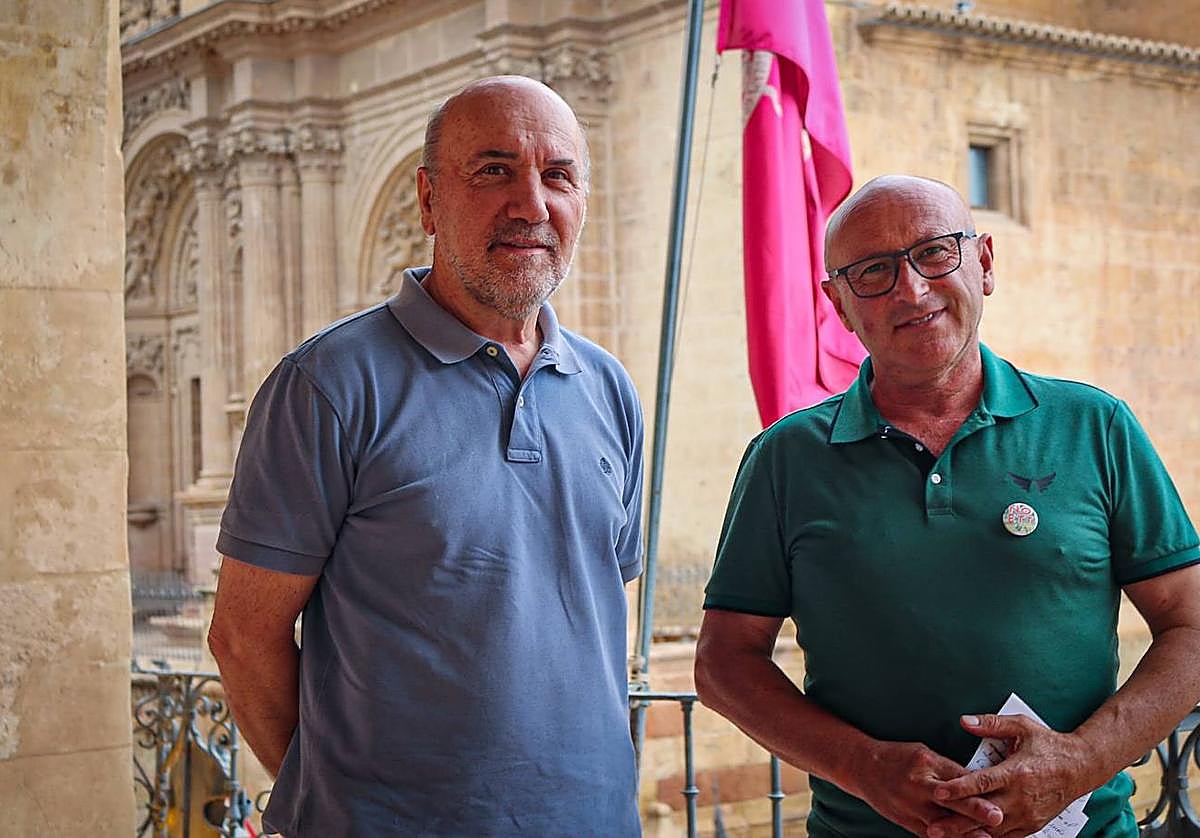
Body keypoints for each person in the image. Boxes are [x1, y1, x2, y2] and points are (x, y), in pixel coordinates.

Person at [694, 174, 1200, 838]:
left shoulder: (1094, 427)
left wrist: (1079, 764)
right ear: (839, 305)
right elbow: (724, 662)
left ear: (983, 262)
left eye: (934, 252)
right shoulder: (785, 459)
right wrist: (863, 765)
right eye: (873, 271)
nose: (912, 289)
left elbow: (1191, 627)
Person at [207, 76, 645, 837]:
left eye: (558, 176)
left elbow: (593, 612)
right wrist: (342, 808)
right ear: (429, 199)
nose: (532, 206)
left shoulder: (609, 389)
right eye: (494, 170)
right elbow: (244, 636)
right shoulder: (328, 385)